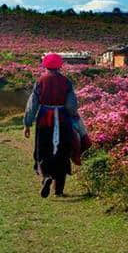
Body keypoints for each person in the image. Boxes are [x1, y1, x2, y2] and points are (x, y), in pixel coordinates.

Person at [23, 53, 85, 198]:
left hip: (45, 118)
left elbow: (32, 105)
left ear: (45, 65)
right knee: (63, 152)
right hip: (63, 119)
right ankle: (59, 190)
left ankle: (46, 176)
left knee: (43, 150)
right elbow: (71, 106)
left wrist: (27, 124)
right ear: (60, 66)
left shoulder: (40, 81)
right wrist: (73, 117)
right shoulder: (66, 82)